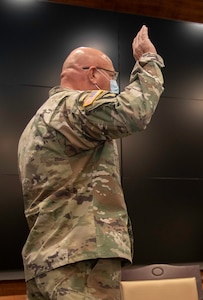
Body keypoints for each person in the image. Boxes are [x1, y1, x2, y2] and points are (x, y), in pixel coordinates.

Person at [17, 25, 164, 300]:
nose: (114, 83)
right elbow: (134, 112)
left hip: (48, 262)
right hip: (80, 264)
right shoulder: (74, 106)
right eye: (112, 76)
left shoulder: (37, 122)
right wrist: (149, 60)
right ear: (94, 75)